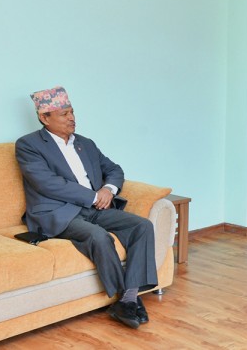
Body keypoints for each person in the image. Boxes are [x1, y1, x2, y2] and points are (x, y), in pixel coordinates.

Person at [15, 86, 157, 329]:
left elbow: (114, 170)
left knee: (142, 226)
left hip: (95, 208)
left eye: (72, 112)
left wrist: (108, 190)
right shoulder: (28, 145)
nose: (72, 118)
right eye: (64, 114)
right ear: (44, 118)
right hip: (58, 212)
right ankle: (125, 299)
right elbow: (48, 183)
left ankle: (129, 299)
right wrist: (93, 196)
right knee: (99, 237)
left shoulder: (85, 143)